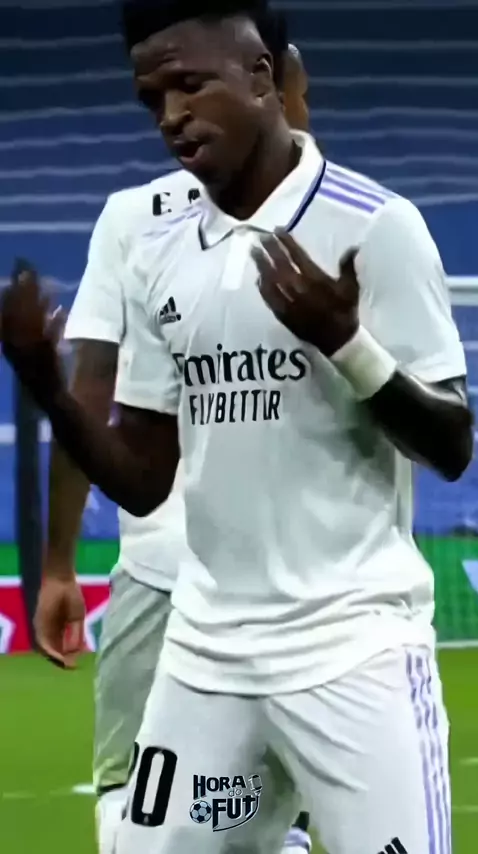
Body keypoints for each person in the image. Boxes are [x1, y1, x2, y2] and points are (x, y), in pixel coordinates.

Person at [1, 0, 473, 851]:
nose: (171, 115)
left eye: (190, 85)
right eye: (153, 98)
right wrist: (50, 390)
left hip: (351, 646)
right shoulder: (161, 249)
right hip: (208, 648)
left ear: (261, 78)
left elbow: (451, 445)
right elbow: (145, 479)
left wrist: (347, 344)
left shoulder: (374, 225)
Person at [33, 4, 310, 853]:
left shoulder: (134, 218)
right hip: (278, 582)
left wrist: (58, 565)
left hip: (186, 576)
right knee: (275, 825)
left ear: (262, 76)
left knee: (134, 811)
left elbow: (89, 392)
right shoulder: (343, 218)